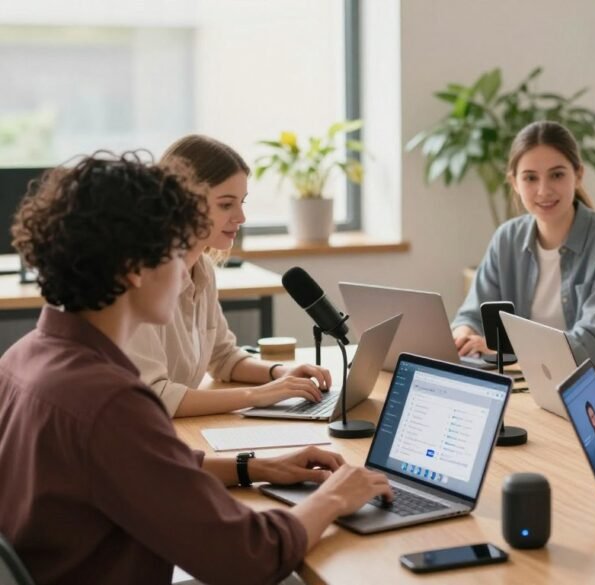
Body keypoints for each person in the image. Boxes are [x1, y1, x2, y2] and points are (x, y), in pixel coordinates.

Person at [0, 152, 393, 584]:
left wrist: (257, 466)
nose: (186, 268)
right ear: (133, 268)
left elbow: (140, 467)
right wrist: (334, 498)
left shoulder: (21, 359)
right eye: (176, 249)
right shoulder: (111, 402)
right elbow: (249, 555)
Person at [126, 134, 331, 417]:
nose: (241, 217)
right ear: (182, 202)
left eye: (242, 202)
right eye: (226, 204)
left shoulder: (204, 269)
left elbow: (223, 357)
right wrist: (257, 396)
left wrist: (281, 373)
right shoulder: (142, 279)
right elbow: (156, 395)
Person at [451, 121, 595, 372]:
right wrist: (464, 334)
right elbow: (473, 314)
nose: (544, 190)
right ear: (515, 183)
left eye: (557, 175)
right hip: (523, 386)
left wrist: (504, 350)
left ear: (578, 175)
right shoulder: (507, 238)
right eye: (530, 178)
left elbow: (592, 345)